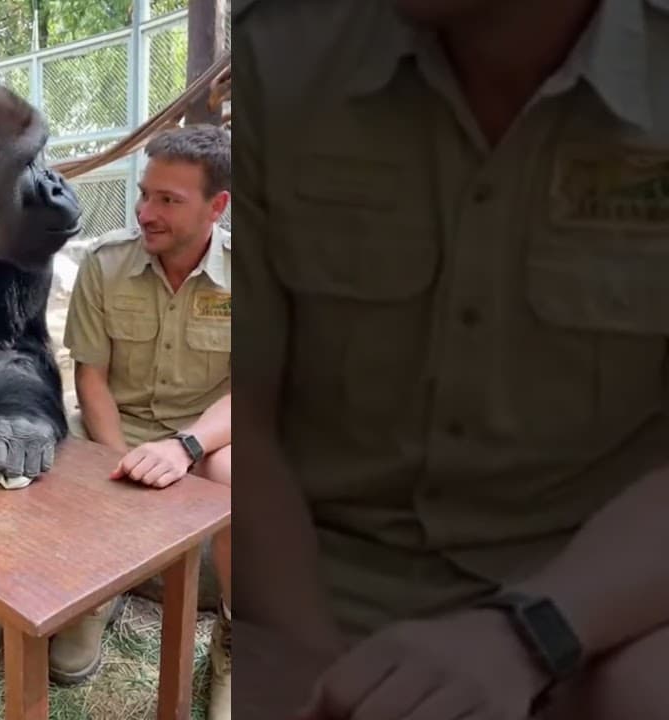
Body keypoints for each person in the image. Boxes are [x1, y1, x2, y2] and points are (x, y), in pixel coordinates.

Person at [236, 0, 669, 717]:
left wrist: (531, 637)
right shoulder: (280, 53)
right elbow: (247, 421)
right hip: (325, 575)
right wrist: (329, 683)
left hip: (607, 584)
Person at [58, 124, 245, 718]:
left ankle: (236, 644)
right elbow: (91, 378)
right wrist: (116, 460)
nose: (145, 212)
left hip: (208, 428)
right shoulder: (104, 264)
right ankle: (93, 594)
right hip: (119, 422)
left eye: (168, 200)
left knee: (244, 472)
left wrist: (185, 446)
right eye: (144, 194)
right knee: (52, 444)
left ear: (218, 206)